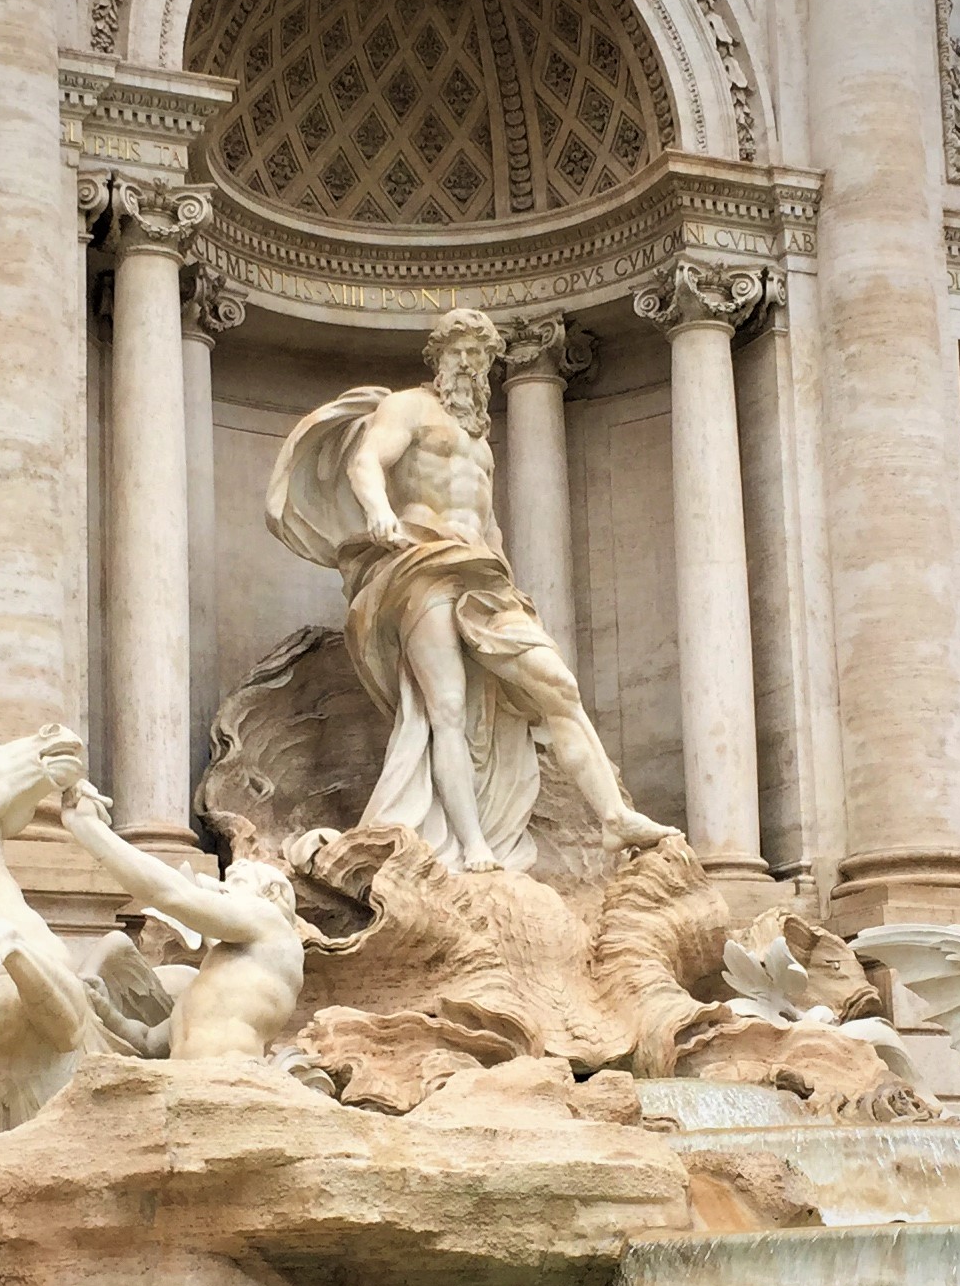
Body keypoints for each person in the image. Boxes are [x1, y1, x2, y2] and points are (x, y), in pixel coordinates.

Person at [266, 308, 676, 872]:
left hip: (483, 574)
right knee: (448, 710)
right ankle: (471, 845)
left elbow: (488, 522)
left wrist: (506, 572)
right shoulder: (408, 407)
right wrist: (380, 512)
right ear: (438, 358)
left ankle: (613, 817)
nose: (469, 364)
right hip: (422, 562)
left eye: (480, 356)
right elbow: (367, 459)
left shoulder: (480, 440)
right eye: (459, 352)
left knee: (557, 685)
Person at [59, 783, 309, 1062]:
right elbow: (149, 1042)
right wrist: (106, 1010)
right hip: (183, 1083)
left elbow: (172, 895)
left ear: (272, 894)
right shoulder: (215, 978)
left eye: (234, 885)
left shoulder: (271, 925)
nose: (220, 891)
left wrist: (88, 829)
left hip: (230, 1082)